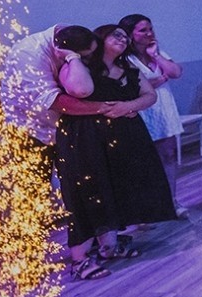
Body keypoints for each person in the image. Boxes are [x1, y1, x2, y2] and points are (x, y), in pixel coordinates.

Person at [55, 24, 176, 279]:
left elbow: (149, 95)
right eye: (116, 35)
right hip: (86, 138)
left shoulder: (129, 68)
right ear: (100, 39)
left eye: (124, 36)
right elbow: (75, 94)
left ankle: (109, 245)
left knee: (118, 187)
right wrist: (74, 58)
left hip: (125, 137)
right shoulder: (81, 68)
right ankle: (79, 259)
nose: (122, 39)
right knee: (89, 193)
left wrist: (128, 105)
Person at [119, 14, 188, 216]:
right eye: (143, 30)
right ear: (130, 34)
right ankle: (145, 208)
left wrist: (155, 55)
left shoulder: (157, 53)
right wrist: (159, 80)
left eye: (150, 28)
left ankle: (171, 202)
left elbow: (175, 72)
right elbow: (134, 87)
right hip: (144, 112)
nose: (149, 33)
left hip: (164, 109)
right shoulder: (125, 59)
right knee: (143, 161)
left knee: (169, 155)